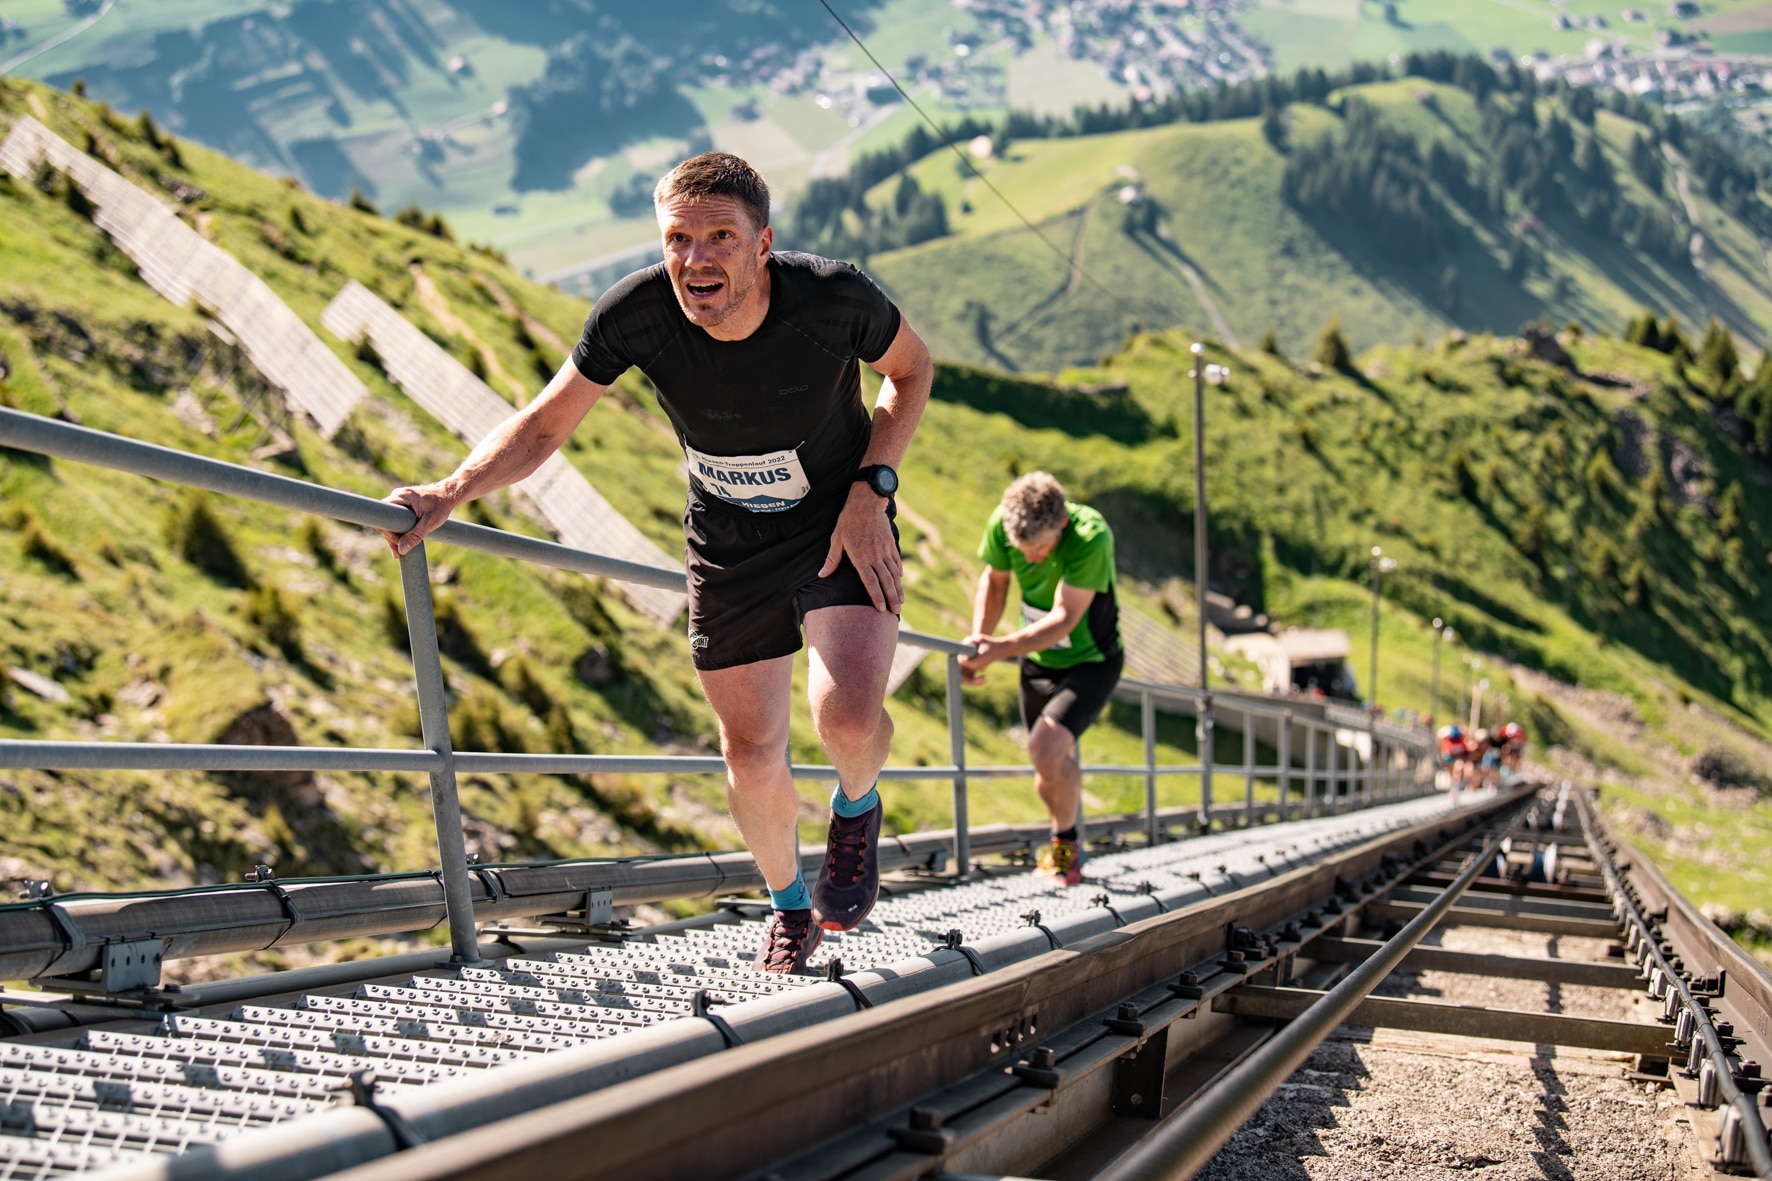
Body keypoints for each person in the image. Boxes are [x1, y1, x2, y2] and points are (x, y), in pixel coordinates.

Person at [379, 153, 933, 974]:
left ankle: (856, 806)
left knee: (848, 719)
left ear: (762, 245)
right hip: (728, 543)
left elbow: (912, 371)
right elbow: (544, 425)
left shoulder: (832, 299)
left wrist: (871, 488)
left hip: (838, 521)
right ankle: (789, 907)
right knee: (749, 753)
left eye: (720, 237)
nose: (696, 259)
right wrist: (452, 490)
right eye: (679, 238)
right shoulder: (635, 314)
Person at [959, 473, 1122, 886]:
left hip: (1091, 659)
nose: (1030, 560)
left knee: (1045, 747)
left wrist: (999, 648)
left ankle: (1067, 853)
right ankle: (1063, 844)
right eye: (1022, 552)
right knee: (1043, 761)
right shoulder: (1003, 522)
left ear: (1062, 524)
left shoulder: (1091, 537)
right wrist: (980, 641)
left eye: (1041, 551)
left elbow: (1064, 618)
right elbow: (995, 581)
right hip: (1037, 659)